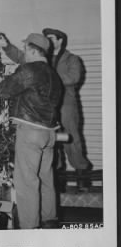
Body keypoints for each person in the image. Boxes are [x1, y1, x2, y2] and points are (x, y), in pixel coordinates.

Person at [0, 33, 63, 229]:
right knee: (46, 179)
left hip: (30, 132)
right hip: (49, 133)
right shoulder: (53, 75)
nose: (24, 53)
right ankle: (49, 219)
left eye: (25, 49)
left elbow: (4, 89)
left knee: (26, 182)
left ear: (34, 51)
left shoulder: (30, 70)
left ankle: (29, 228)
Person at [42, 28, 92, 189]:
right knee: (53, 141)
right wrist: (6, 46)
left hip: (67, 106)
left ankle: (82, 179)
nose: (48, 42)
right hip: (49, 107)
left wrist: (51, 78)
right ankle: (58, 181)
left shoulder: (72, 59)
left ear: (60, 40)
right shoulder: (44, 59)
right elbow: (22, 57)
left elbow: (74, 77)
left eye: (50, 38)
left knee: (72, 140)